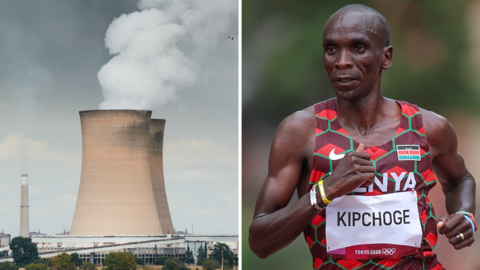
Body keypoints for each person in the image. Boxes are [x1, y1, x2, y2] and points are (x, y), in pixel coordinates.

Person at [248, 4, 477, 270]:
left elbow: (460, 180)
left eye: (358, 48)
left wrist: (464, 215)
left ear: (386, 57)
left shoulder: (428, 127)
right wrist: (325, 191)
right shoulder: (301, 131)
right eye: (331, 49)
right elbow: (260, 242)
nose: (341, 61)